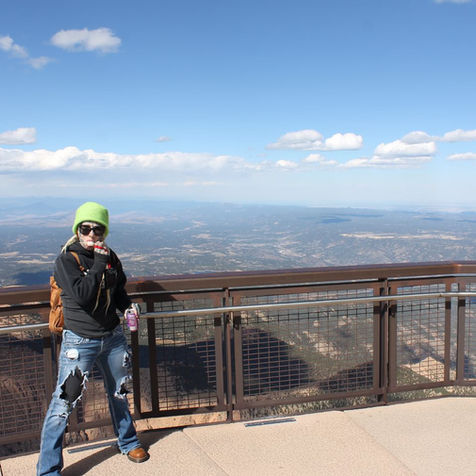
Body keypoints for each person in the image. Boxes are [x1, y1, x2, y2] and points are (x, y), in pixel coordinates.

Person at [37, 201, 149, 475]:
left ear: (104, 231)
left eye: (97, 229)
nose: (91, 234)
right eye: (85, 228)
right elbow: (83, 296)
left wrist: (128, 306)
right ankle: (48, 469)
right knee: (63, 404)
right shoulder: (67, 260)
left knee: (119, 392)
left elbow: (118, 290)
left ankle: (128, 442)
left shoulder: (110, 257)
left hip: (112, 338)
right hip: (79, 343)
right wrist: (98, 264)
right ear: (77, 230)